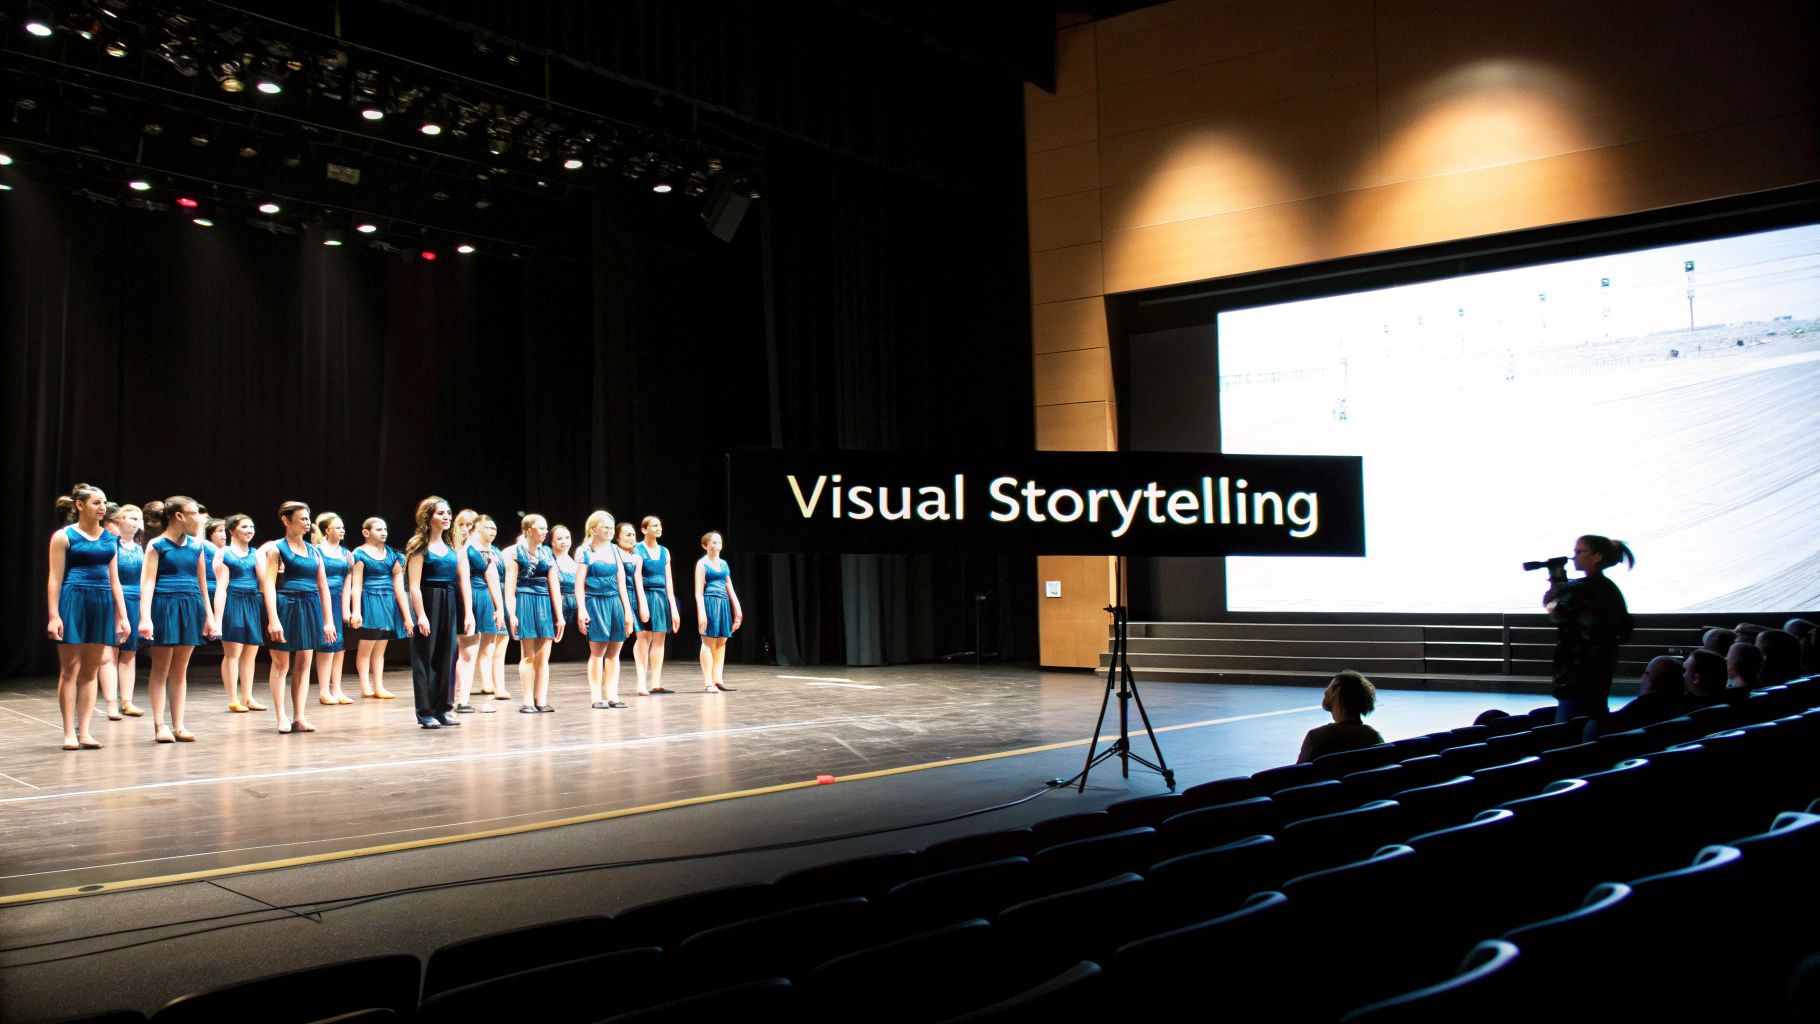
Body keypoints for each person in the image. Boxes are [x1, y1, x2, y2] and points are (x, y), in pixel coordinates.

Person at [46, 484, 130, 750]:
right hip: (74, 599)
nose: (102, 507)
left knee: (92, 670)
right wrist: (53, 615)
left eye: (104, 502)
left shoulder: (109, 538)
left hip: (102, 601)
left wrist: (122, 616)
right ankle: (69, 732)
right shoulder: (64, 536)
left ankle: (85, 731)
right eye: (96, 502)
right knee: (70, 668)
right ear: (80, 505)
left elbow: (115, 580)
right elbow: (55, 578)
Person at [138, 495, 215, 743]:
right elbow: (147, 582)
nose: (200, 518)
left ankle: (179, 724)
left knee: (180, 670)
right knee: (161, 668)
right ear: (179, 516)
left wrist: (210, 616)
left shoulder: (197, 546)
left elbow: (203, 584)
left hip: (190, 605)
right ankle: (160, 725)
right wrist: (145, 617)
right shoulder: (158, 545)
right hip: (164, 605)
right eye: (194, 513)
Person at [261, 501, 336, 734]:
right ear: (286, 520)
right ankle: (281, 716)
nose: (307, 522)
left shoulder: (314, 551)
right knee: (281, 664)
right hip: (286, 605)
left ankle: (299, 716)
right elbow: (269, 586)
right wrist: (273, 619)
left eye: (308, 518)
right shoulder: (277, 549)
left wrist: (328, 620)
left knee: (304, 663)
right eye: (302, 518)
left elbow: (323, 586)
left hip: (310, 606)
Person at [1543, 535, 1634, 722]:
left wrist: (1557, 580)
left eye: (1579, 551)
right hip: (1602, 667)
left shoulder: (1579, 588)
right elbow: (1624, 630)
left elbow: (1554, 610)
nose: (1574, 556)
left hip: (1576, 670)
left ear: (1597, 556)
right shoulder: (1611, 589)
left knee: (1568, 726)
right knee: (1594, 719)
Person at [405, 496, 472, 729]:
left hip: (449, 601)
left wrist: (469, 613)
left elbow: (462, 580)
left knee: (448, 656)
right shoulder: (419, 545)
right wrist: (421, 615)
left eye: (448, 513)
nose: (446, 517)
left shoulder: (452, 547)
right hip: (428, 599)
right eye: (440, 513)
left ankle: (443, 708)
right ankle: (425, 712)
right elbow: (413, 585)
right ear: (428, 517)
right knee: (425, 658)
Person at [575, 511, 633, 709]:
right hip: (595, 602)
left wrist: (627, 612)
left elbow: (622, 584)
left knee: (614, 652)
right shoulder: (584, 551)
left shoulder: (616, 551)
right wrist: (582, 610)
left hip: (614, 602)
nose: (609, 531)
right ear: (593, 529)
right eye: (605, 528)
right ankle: (596, 696)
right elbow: (579, 585)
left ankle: (612, 695)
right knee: (598, 651)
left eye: (611, 527)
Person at [212, 514, 268, 713]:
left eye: (252, 526)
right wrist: (217, 621)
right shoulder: (224, 553)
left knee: (251, 653)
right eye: (244, 526)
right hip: (232, 601)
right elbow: (221, 588)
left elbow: (264, 583)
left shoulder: (256, 554)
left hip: (252, 602)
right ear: (232, 530)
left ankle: (248, 697)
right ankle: (233, 698)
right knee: (233, 652)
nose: (249, 530)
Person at [347, 517, 407, 700]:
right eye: (379, 529)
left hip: (388, 601)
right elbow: (356, 586)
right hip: (370, 601)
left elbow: (399, 587)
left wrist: (406, 615)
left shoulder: (393, 555)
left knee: (380, 648)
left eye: (385, 529)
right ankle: (365, 685)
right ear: (366, 533)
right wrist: (356, 611)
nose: (384, 532)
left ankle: (379, 686)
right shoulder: (360, 554)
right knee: (366, 646)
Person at [452, 509, 504, 714]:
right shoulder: (460, 548)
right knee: (467, 651)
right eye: (463, 524)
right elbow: (462, 579)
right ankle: (460, 698)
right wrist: (468, 611)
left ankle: (482, 697)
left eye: (471, 524)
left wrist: (499, 608)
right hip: (467, 597)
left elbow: (492, 578)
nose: (467, 528)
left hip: (484, 598)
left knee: (486, 648)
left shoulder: (485, 550)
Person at [99, 502, 146, 721]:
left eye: (139, 519)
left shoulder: (139, 548)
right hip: (113, 599)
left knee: (129, 652)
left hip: (135, 600)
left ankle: (127, 701)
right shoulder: (110, 544)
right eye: (132, 518)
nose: (137, 523)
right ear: (118, 520)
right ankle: (110, 704)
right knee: (110, 652)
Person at [633, 515, 680, 696]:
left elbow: (669, 581)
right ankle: (641, 683)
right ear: (644, 529)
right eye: (654, 525)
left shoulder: (664, 551)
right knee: (644, 637)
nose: (658, 528)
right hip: (644, 594)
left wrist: (673, 608)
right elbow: (636, 576)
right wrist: (642, 602)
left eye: (659, 525)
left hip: (661, 597)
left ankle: (656, 683)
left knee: (660, 638)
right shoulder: (638, 549)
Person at [311, 513, 355, 706]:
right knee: (327, 646)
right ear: (327, 530)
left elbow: (348, 584)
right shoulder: (316, 551)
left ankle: (337, 688)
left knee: (339, 648)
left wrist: (347, 610)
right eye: (338, 527)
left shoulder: (347, 554)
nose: (342, 530)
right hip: (321, 600)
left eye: (343, 527)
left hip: (338, 600)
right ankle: (324, 690)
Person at [1297, 670, 1384, 762]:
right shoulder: (1374, 737)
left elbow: (1299, 773)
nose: (1325, 691)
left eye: (1329, 686)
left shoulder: (1316, 738)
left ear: (1337, 692)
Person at [694, 530, 743, 693]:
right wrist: (702, 613)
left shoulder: (724, 564)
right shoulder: (702, 564)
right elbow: (698, 592)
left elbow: (729, 586)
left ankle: (718, 678)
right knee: (708, 641)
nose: (717, 545)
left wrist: (737, 608)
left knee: (722, 640)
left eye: (719, 542)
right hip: (710, 602)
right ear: (705, 545)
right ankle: (708, 681)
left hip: (723, 604)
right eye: (713, 542)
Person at [1598, 655, 1689, 734]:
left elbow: (1608, 724)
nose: (1642, 678)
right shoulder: (1683, 705)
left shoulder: (1643, 706)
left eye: (1646, 673)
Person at [476, 516, 513, 703]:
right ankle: (487, 683)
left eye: (495, 528)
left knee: (502, 641)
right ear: (478, 529)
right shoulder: (474, 550)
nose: (492, 531)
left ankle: (500, 685)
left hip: (501, 594)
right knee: (487, 643)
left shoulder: (497, 551)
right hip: (484, 594)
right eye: (488, 527)